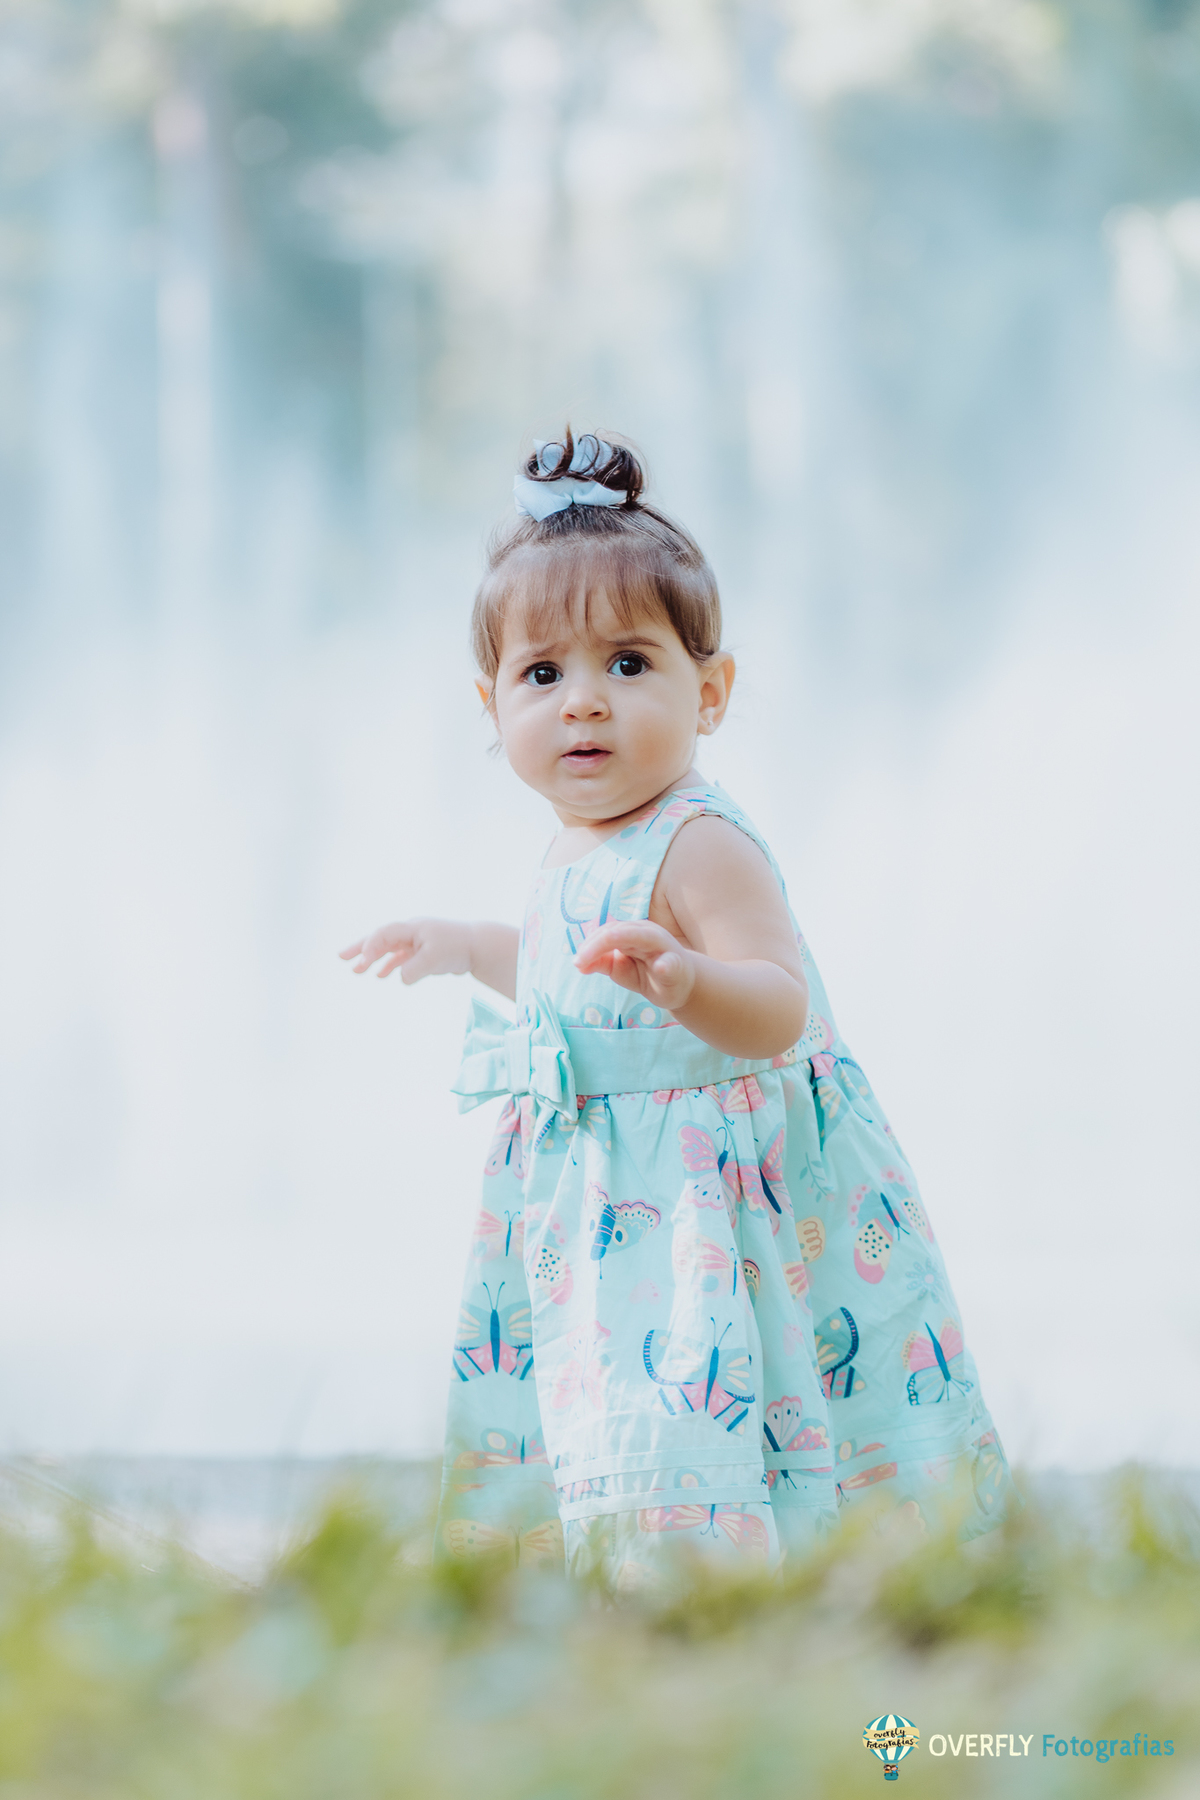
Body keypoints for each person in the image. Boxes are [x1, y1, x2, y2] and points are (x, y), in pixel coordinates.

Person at [341, 431, 1015, 1588]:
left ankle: (741, 1557)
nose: (584, 704)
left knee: (719, 1371)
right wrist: (466, 949)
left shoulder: (701, 844)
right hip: (613, 1191)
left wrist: (692, 981)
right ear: (491, 703)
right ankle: (617, 1559)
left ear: (710, 691)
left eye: (630, 665)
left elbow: (780, 1009)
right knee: (613, 1375)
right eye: (542, 675)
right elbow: (579, 973)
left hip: (717, 1190)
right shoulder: (571, 845)